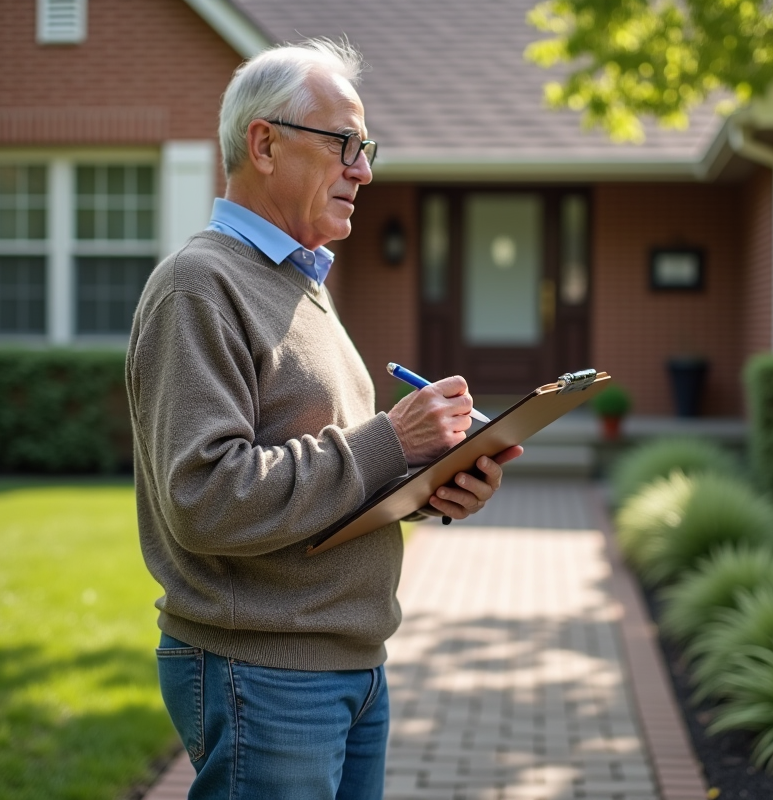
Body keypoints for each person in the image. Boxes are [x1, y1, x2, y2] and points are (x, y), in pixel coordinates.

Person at [125, 38, 522, 799]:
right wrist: (390, 439)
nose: (363, 170)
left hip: (348, 666)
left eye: (365, 149)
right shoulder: (198, 285)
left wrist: (430, 483)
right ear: (264, 144)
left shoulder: (302, 286)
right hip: (264, 671)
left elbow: (330, 476)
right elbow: (205, 498)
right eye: (344, 143)